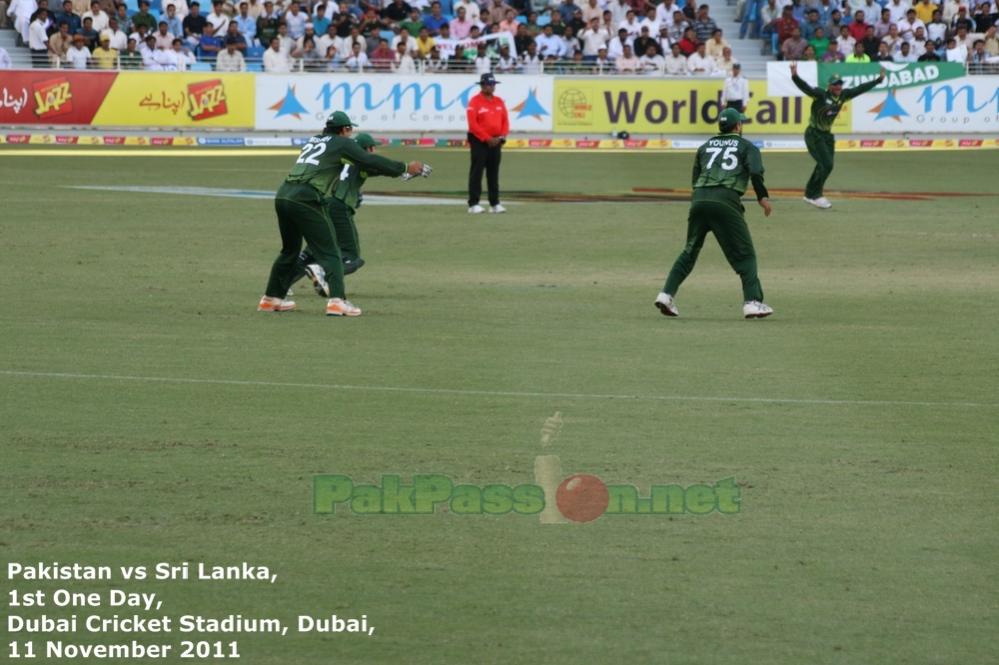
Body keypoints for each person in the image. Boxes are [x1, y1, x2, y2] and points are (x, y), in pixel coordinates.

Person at [258, 112, 429, 317]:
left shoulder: (314, 140)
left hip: (283, 195)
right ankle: (338, 302)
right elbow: (368, 159)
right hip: (306, 198)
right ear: (344, 129)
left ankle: (271, 299)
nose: (350, 134)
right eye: (349, 130)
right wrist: (404, 167)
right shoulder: (342, 143)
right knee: (331, 252)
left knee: (289, 251)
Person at [654, 108, 774, 320]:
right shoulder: (747, 147)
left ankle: (666, 294)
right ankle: (753, 302)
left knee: (690, 250)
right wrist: (762, 198)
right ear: (738, 126)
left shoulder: (704, 147)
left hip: (699, 200)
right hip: (726, 201)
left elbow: (695, 178)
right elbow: (755, 172)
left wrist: (702, 198)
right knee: (745, 255)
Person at [790, 62, 885, 209]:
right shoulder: (821, 95)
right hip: (814, 134)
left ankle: (810, 194)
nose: (838, 87)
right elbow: (806, 88)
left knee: (826, 165)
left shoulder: (843, 96)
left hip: (827, 136)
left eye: (840, 84)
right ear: (829, 86)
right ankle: (815, 195)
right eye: (835, 84)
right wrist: (795, 76)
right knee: (826, 164)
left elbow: (860, 89)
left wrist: (877, 81)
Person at [466, 73, 509, 215]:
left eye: (493, 84)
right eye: (488, 84)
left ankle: (494, 203)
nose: (491, 87)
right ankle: (473, 204)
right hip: (479, 141)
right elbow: (473, 124)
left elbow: (505, 121)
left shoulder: (499, 101)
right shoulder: (474, 101)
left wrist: (501, 137)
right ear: (482, 85)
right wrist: (486, 138)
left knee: (493, 172)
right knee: (477, 171)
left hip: (496, 141)